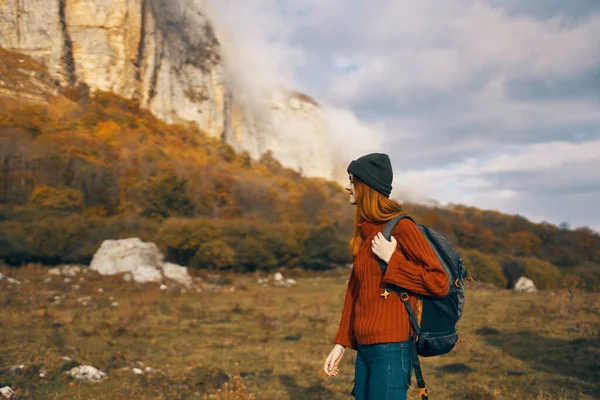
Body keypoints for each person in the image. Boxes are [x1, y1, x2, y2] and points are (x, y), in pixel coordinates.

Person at [323, 153, 449, 400]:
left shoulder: (402, 228)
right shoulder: (364, 234)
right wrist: (341, 343)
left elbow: (439, 282)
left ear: (368, 187)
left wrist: (394, 260)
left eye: (352, 180)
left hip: (392, 349)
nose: (347, 186)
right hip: (365, 349)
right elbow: (355, 293)